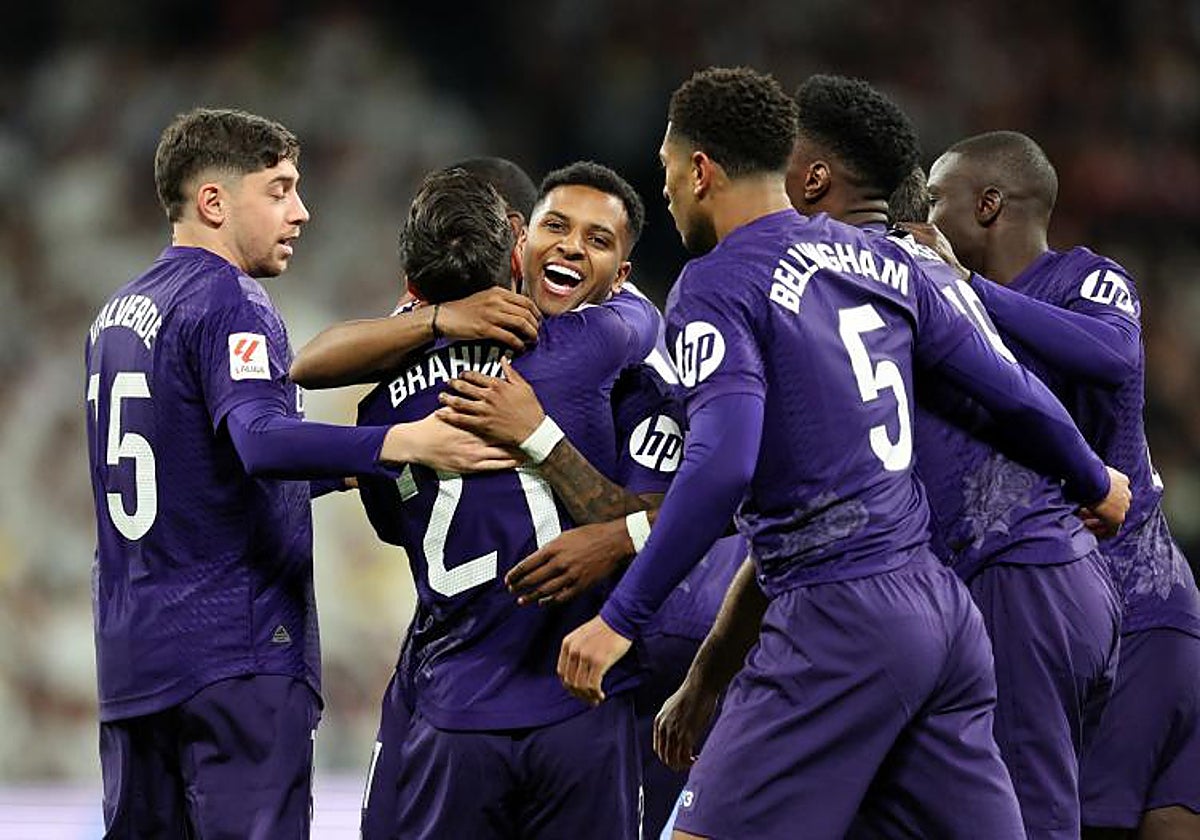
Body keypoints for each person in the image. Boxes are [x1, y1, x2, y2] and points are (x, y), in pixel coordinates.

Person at [556, 66, 1130, 839]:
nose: (664, 195)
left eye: (665, 172)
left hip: (836, 617)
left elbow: (722, 465)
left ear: (700, 170)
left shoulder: (717, 283)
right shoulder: (885, 260)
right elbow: (1012, 390)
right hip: (943, 615)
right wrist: (1095, 480)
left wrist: (621, 617)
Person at [83, 108, 513, 838]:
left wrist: (343, 472)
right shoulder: (230, 299)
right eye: (279, 189)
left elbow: (199, 472)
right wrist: (400, 443)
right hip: (236, 656)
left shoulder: (115, 316)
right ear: (214, 202)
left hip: (132, 658)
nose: (301, 211)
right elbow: (259, 443)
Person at [786, 75, 1121, 840]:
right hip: (1002, 580)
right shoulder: (905, 271)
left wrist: (1095, 479)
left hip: (1017, 567)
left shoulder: (889, 271)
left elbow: (1022, 392)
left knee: (1025, 824)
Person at [349, 163, 660, 839]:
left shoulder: (379, 401)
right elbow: (696, 505)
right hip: (579, 698)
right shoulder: (587, 350)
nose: (573, 247)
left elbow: (388, 522)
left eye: (596, 240)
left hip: (454, 700)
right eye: (556, 226)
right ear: (517, 243)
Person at [926, 130, 1200, 840]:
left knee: (1077, 821)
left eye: (935, 198)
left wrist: (968, 289)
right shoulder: (953, 320)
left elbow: (1113, 351)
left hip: (1131, 604)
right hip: (1073, 613)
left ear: (988, 204)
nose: (922, 217)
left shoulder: (1085, 277)